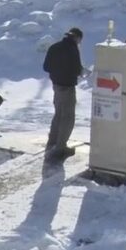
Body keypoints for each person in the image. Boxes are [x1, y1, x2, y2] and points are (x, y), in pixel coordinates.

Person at [43, 27, 84, 160]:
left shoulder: (54, 47)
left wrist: (58, 70)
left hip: (56, 85)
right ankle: (61, 147)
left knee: (58, 115)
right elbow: (76, 69)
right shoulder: (72, 49)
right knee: (68, 117)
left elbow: (46, 67)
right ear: (77, 38)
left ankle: (52, 141)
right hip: (68, 87)